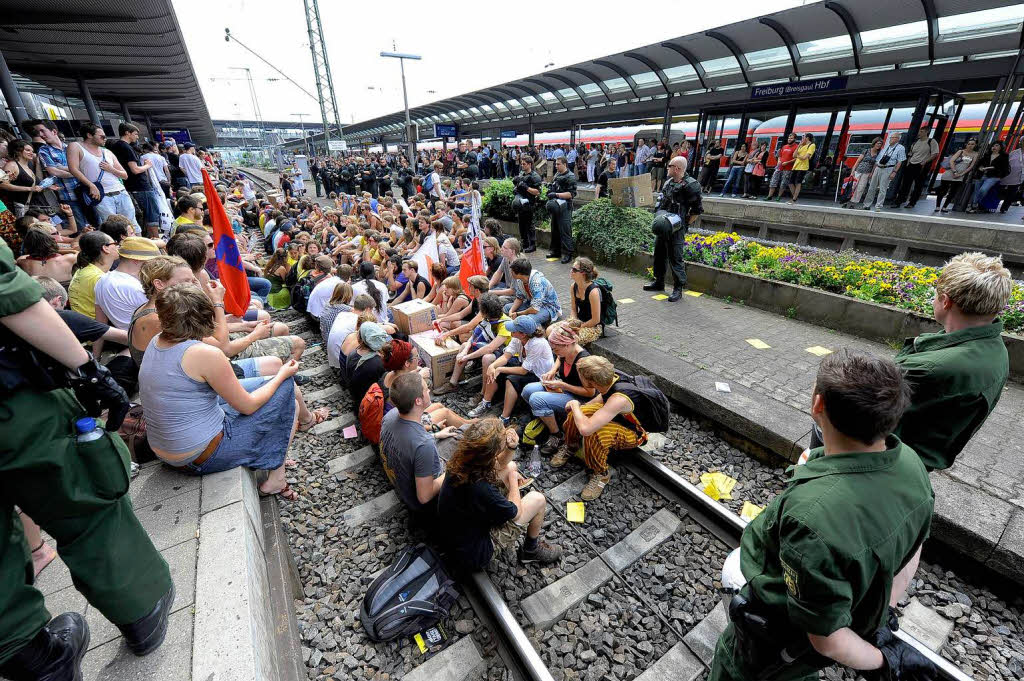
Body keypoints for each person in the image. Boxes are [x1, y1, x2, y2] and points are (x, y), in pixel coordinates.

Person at [0, 237, 174, 679]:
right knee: (82, 497)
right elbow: (13, 299)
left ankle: (31, 658)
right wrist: (88, 370)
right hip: (10, 401)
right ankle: (141, 609)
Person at [708, 350, 935, 681]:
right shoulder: (912, 465)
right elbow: (913, 547)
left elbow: (826, 639)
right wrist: (885, 608)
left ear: (818, 405)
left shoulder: (810, 521)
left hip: (774, 643)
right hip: (827, 628)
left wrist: (883, 661)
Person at [138, 283, 322, 497]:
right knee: (285, 387)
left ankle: (277, 449)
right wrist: (282, 375)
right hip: (200, 457)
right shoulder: (204, 354)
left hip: (168, 452)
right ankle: (277, 479)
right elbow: (248, 406)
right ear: (204, 316)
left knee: (270, 386)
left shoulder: (155, 342)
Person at [891, 253, 1011, 471]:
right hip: (924, 456)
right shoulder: (995, 349)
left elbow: (866, 410)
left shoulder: (929, 368)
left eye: (936, 295)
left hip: (889, 460)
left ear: (945, 301)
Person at [437, 418, 563, 571]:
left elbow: (500, 465)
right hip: (472, 554)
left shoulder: (463, 458)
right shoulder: (482, 489)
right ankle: (531, 550)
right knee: (538, 499)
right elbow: (515, 513)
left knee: (510, 466)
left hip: (451, 532)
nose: (508, 432)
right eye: (504, 436)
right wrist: (513, 482)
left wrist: (511, 447)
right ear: (493, 453)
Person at [551, 356, 654, 499]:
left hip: (634, 432)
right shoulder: (611, 379)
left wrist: (575, 405)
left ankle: (601, 473)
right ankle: (571, 446)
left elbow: (586, 429)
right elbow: (600, 398)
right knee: (579, 414)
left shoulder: (619, 399)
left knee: (595, 433)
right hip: (619, 417)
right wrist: (580, 411)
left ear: (590, 382)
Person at [379, 372, 457, 519]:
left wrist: (435, 435)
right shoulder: (424, 445)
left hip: (402, 482)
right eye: (426, 389)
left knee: (452, 435)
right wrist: (456, 468)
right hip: (424, 506)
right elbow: (424, 497)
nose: (428, 390)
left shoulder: (391, 415)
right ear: (418, 401)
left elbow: (412, 440)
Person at [521, 323, 596, 455]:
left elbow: (590, 392)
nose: (554, 353)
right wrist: (552, 370)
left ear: (566, 345)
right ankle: (547, 417)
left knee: (536, 399)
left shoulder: (582, 362)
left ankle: (556, 435)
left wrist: (562, 385)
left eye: (555, 349)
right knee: (528, 390)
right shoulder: (566, 351)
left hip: (579, 399)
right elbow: (560, 359)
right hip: (566, 390)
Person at [469, 315, 554, 423]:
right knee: (494, 370)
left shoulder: (537, 343)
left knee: (511, 380)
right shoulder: (517, 338)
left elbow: (523, 370)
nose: (511, 332)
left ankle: (504, 417)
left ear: (523, 334)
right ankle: (486, 402)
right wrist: (493, 366)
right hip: (525, 367)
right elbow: (506, 357)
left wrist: (499, 369)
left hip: (539, 374)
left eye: (514, 331)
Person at [644, 155, 702, 302]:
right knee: (659, 254)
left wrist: (684, 225)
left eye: (669, 166)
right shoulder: (669, 183)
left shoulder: (691, 185)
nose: (667, 168)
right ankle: (659, 282)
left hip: (677, 227)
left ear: (677, 168)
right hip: (664, 224)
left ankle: (678, 288)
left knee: (676, 257)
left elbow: (696, 210)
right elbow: (661, 203)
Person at [67, 123, 140, 233]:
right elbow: (73, 169)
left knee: (132, 224)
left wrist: (111, 169)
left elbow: (124, 175)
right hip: (102, 195)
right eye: (102, 136)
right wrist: (90, 185)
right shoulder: (76, 146)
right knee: (111, 228)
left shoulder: (107, 151)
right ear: (89, 135)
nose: (105, 138)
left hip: (120, 191)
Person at [94, 236, 160, 330]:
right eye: (153, 261)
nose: (156, 265)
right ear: (136, 260)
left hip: (127, 338)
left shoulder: (101, 280)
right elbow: (160, 317)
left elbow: (100, 321)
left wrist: (96, 345)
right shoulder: (136, 288)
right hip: (145, 338)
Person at [109, 123, 162, 238]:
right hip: (140, 187)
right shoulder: (126, 147)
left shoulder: (116, 147)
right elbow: (135, 169)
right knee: (151, 215)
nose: (137, 137)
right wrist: (147, 165)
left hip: (131, 187)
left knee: (141, 218)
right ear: (127, 133)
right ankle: (157, 241)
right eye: (136, 134)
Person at [68, 231, 118, 318]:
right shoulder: (100, 278)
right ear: (105, 248)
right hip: (97, 326)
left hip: (86, 324)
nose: (117, 246)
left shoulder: (83, 270)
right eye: (115, 243)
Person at [857, 132, 906, 212]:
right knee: (871, 187)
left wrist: (894, 172)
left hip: (888, 168)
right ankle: (866, 205)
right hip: (878, 167)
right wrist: (873, 171)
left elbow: (900, 161)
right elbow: (877, 160)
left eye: (893, 137)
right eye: (890, 137)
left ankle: (878, 206)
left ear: (897, 139)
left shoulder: (901, 148)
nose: (890, 139)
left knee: (882, 189)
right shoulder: (886, 146)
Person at [507, 257, 561, 327]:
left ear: (519, 273)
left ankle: (539, 329)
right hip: (531, 303)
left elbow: (535, 309)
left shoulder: (536, 283)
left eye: (512, 271)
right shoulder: (520, 280)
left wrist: (518, 314)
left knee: (528, 320)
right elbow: (519, 298)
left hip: (547, 307)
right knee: (507, 308)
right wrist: (511, 311)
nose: (510, 272)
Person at [545, 156, 578, 264]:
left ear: (564, 164)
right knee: (555, 229)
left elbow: (571, 194)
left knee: (565, 230)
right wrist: (550, 190)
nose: (556, 166)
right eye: (556, 164)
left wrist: (556, 194)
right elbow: (555, 186)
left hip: (565, 207)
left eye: (558, 164)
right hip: (556, 205)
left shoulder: (570, 176)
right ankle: (556, 251)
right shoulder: (557, 174)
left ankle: (568, 253)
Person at [898, 128, 940, 209]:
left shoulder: (931, 141)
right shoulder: (915, 142)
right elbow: (911, 153)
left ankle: (912, 202)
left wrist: (925, 161)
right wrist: (908, 162)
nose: (919, 133)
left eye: (921, 131)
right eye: (919, 131)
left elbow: (935, 153)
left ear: (927, 132)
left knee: (918, 185)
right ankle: (899, 200)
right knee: (905, 184)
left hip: (921, 166)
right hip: (911, 164)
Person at [934, 139, 978, 213]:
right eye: (969, 144)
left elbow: (971, 166)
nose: (970, 145)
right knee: (943, 191)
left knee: (952, 192)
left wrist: (961, 174)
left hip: (960, 175)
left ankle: (945, 207)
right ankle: (937, 206)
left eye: (972, 144)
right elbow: (952, 161)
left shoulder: (975, 154)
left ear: (975, 145)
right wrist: (955, 172)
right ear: (966, 144)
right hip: (950, 173)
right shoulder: (960, 151)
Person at [567, 257, 603, 345]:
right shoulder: (573, 286)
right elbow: (573, 309)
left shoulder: (593, 292)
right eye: (572, 268)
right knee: (551, 330)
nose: (571, 271)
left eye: (574, 269)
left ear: (583, 273)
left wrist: (580, 327)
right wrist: (573, 322)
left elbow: (596, 319)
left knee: (567, 340)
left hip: (593, 326)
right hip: (580, 321)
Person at [967, 141, 1009, 213]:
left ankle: (977, 204)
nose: (994, 147)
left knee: (982, 190)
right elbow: (978, 164)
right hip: (981, 175)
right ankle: (974, 206)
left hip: (993, 177)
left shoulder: (1004, 157)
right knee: (976, 191)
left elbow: (1004, 169)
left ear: (1001, 147)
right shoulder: (987, 155)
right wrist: (980, 168)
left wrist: (993, 168)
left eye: (996, 146)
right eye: (993, 146)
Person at [842, 138, 883, 209]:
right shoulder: (866, 151)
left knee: (861, 188)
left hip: (867, 173)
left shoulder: (879, 154)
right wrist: (853, 171)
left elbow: (875, 165)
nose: (879, 145)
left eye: (880, 144)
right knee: (853, 186)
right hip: (858, 171)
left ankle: (853, 203)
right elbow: (858, 161)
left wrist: (872, 173)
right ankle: (846, 201)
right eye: (878, 143)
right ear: (874, 143)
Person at [764, 133, 798, 202]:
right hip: (779, 167)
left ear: (794, 139)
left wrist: (787, 162)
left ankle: (778, 197)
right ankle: (769, 196)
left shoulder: (796, 147)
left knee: (783, 183)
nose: (789, 139)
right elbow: (779, 155)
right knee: (773, 181)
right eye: (789, 138)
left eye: (791, 138)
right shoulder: (784, 146)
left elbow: (796, 158)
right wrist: (779, 161)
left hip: (788, 168)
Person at [787, 134, 816, 204]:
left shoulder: (812, 145)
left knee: (798, 182)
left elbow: (805, 157)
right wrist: (799, 146)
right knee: (790, 182)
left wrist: (798, 155)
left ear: (807, 138)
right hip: (796, 166)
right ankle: (795, 197)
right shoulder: (801, 145)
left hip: (803, 166)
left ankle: (794, 199)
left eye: (803, 137)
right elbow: (794, 155)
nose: (802, 139)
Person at [998, 144, 1023, 214]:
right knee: (999, 190)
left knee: (1012, 193)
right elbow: (1007, 162)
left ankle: (1004, 208)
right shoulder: (1014, 152)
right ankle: (992, 205)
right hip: (1008, 175)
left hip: (1019, 177)